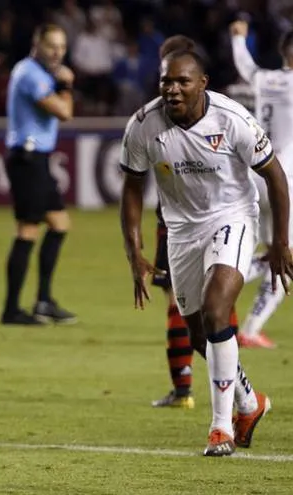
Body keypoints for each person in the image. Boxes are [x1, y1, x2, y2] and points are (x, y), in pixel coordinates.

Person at [120, 49, 282, 455]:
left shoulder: (232, 120)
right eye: (166, 82)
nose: (172, 90)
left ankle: (221, 428)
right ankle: (249, 402)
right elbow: (132, 189)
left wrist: (280, 243)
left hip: (234, 217)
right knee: (198, 334)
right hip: (181, 231)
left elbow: (275, 176)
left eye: (182, 82)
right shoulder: (142, 126)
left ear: (202, 84)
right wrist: (134, 251)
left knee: (215, 310)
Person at [149, 35, 244, 409]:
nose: (169, 80)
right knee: (217, 305)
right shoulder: (169, 110)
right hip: (189, 219)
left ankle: (186, 388)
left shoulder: (214, 116)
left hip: (186, 221)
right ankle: (231, 391)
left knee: (184, 303)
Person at [1, 23, 76, 326]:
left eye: (62, 47)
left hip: (37, 159)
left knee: (59, 224)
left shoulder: (41, 74)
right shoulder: (30, 73)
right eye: (52, 46)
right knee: (28, 229)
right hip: (27, 158)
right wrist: (67, 86)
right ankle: (11, 310)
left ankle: (44, 301)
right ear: (37, 44)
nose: (57, 52)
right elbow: (64, 112)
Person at [229, 20, 293, 349]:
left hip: (257, 173)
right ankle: (251, 328)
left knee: (272, 252)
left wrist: (238, 38)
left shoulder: (265, 78)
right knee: (286, 258)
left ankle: (224, 273)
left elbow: (245, 66)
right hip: (285, 183)